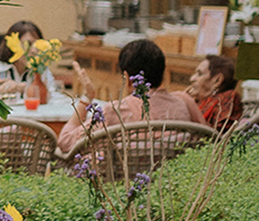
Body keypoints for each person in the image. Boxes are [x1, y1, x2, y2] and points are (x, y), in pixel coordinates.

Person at [57, 37, 205, 158]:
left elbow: (65, 142)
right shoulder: (182, 104)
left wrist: (86, 98)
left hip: (121, 188)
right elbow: (209, 140)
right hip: (172, 188)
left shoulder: (114, 112)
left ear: (127, 78)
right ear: (163, 74)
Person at [186, 53, 241, 131]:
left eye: (200, 74)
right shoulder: (197, 101)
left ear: (217, 80)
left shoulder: (228, 98)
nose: (192, 79)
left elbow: (213, 135)